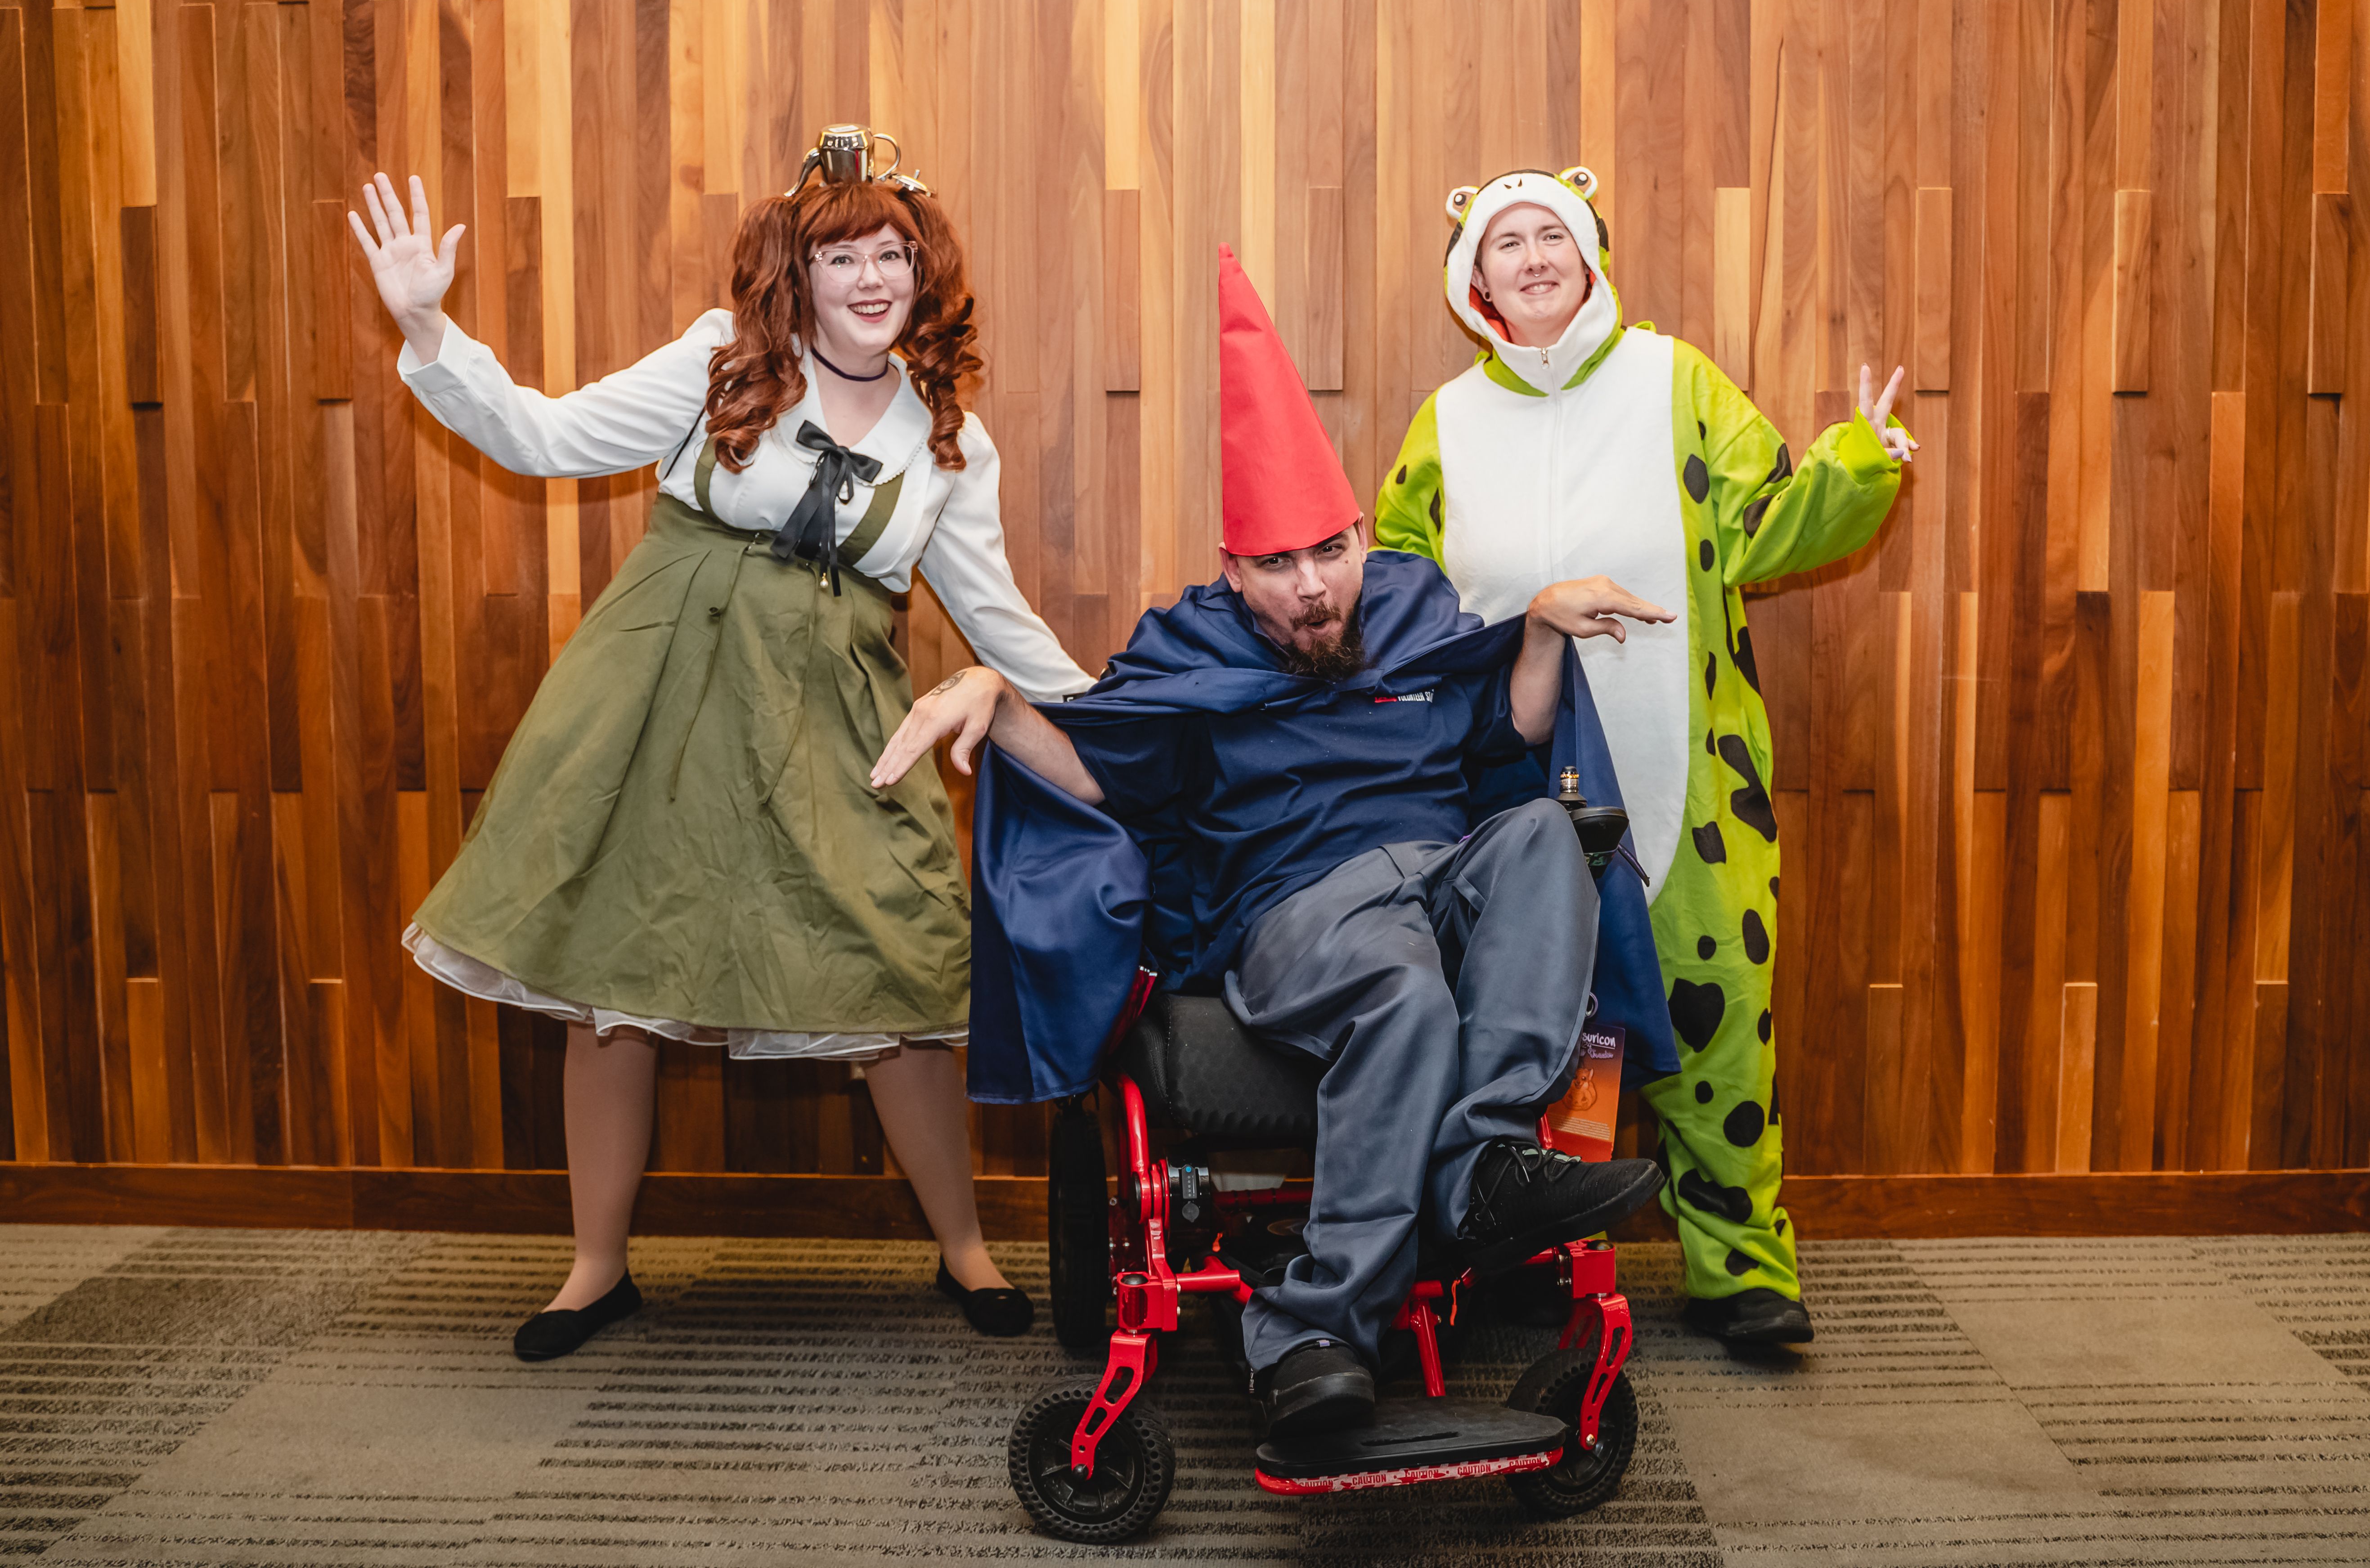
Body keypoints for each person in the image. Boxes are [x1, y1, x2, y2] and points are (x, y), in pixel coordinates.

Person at [873, 249, 1673, 1437]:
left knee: (1539, 839)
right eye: (1277, 565)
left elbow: (1501, 735)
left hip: (1439, 878)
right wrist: (994, 697)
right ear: (1232, 566)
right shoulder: (1189, 648)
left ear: (1360, 534)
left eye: (1331, 552)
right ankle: (1307, 1326)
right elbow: (1106, 774)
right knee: (1401, 996)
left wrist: (1543, 629)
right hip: (1292, 915)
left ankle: (1478, 1162)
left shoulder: (1408, 605)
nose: (1312, 588)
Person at [345, 127, 1094, 1359]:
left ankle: (964, 1248)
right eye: (836, 253)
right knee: (613, 982)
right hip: (659, 701)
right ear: (792, 274)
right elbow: (543, 438)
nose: (867, 277)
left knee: (895, 984)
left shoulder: (948, 436)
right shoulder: (719, 361)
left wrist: (1133, 724)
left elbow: (1001, 622)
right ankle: (596, 1268)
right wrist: (431, 329)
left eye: (890, 253)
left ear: (922, 273)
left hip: (837, 724)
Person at [1372, 167, 1914, 1346]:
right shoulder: (1445, 424)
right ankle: (1517, 1258)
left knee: (1715, 1020)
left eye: (1548, 235)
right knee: (1519, 1025)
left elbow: (1769, 527)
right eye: (1502, 242)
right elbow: (1399, 594)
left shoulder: (1677, 383)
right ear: (1474, 283)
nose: (1527, 257)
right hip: (1502, 778)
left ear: (1588, 253)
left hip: (1690, 772)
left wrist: (1856, 465)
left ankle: (1743, 1272)